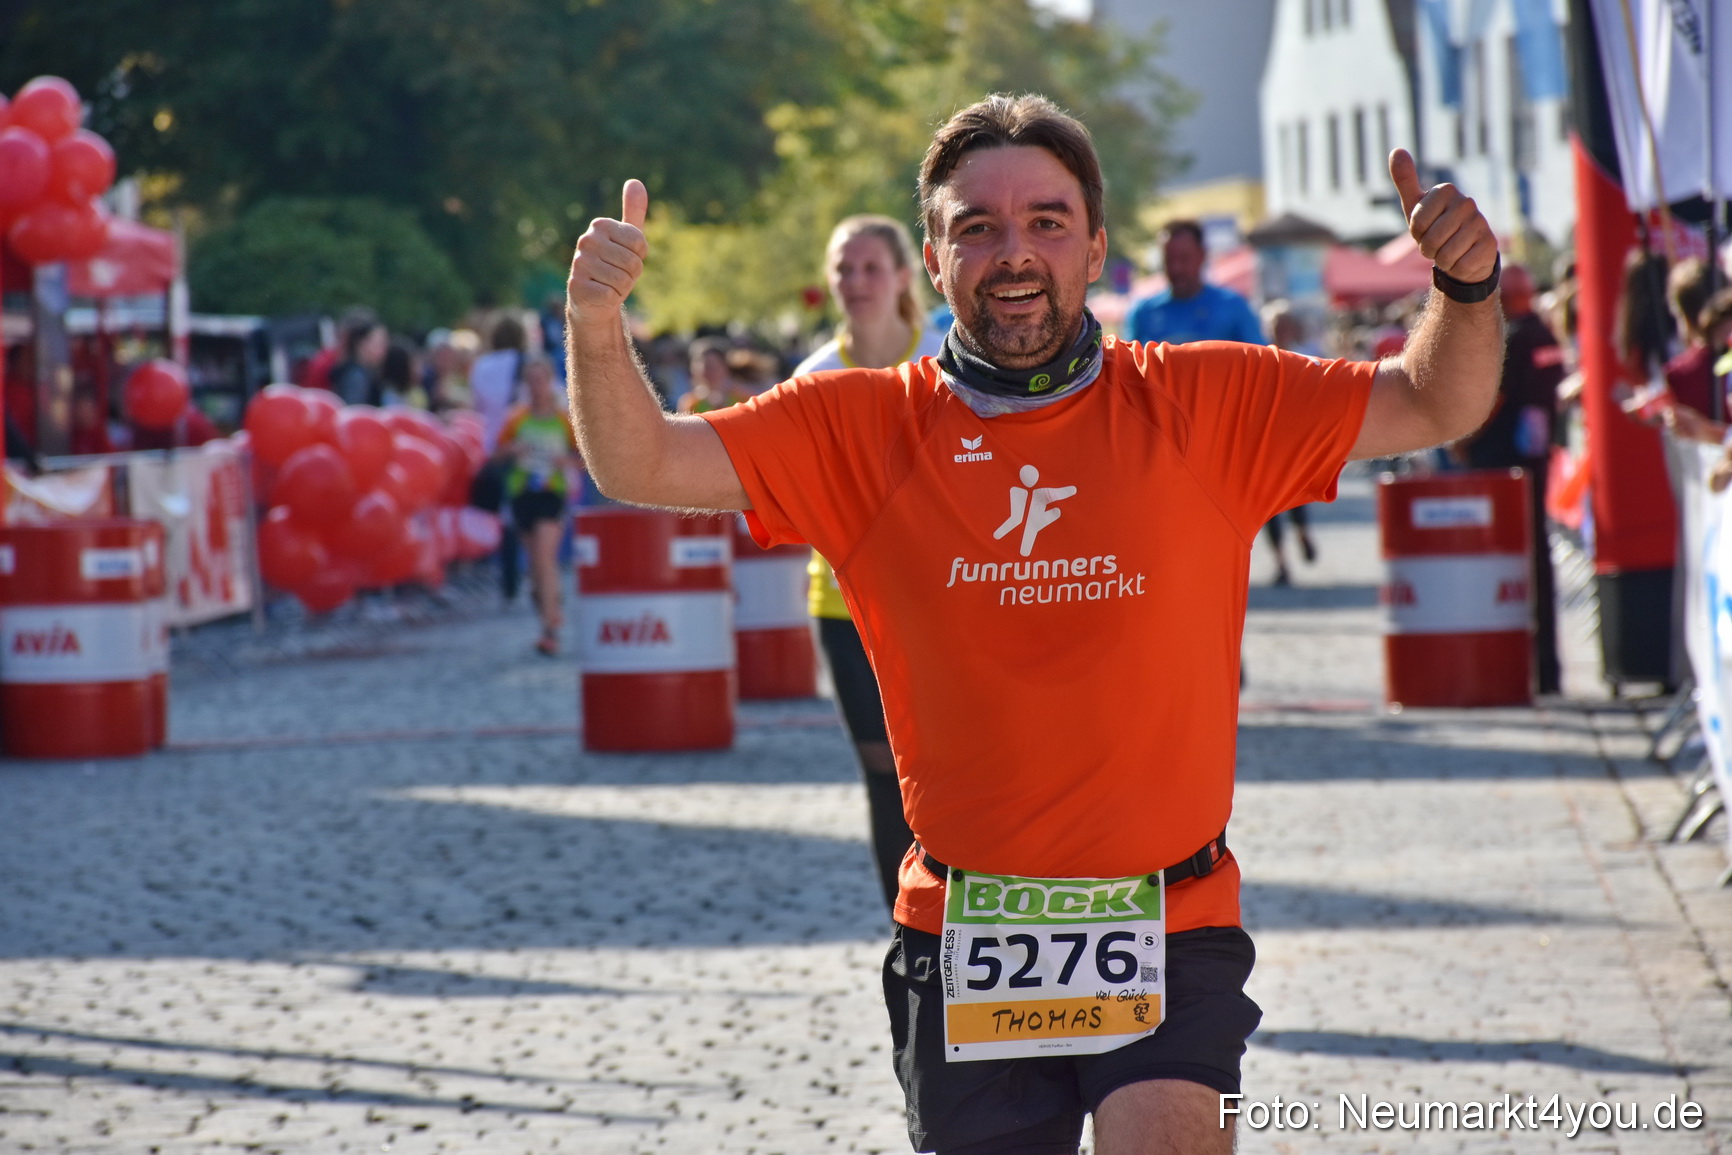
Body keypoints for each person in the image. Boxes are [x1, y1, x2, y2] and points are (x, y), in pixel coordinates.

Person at [563, 94, 1504, 1154]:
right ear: (933, 260)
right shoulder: (859, 426)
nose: (1013, 251)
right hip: (966, 927)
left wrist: (1465, 288)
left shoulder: (1205, 402)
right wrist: (595, 326)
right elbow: (642, 461)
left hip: (1170, 918)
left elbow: (1434, 402)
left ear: (1096, 247)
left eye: (1047, 222)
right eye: (977, 227)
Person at [792, 213, 946, 912]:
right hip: (844, 603)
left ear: (903, 276)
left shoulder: (947, 356)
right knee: (884, 771)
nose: (856, 282)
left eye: (871, 268)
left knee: (950, 769)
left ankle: (966, 926)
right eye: (843, 269)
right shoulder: (814, 378)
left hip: (946, 600)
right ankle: (909, 934)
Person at [1456, 264, 1566, 694]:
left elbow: (1492, 398)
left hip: (1502, 468)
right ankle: (1546, 670)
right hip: (1535, 465)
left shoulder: (1513, 338)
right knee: (1537, 562)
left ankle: (1508, 667)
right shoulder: (1545, 335)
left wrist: (1463, 439)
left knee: (1498, 565)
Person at [498, 354, 578, 655]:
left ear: (550, 382)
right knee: (536, 567)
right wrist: (511, 450)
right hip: (522, 493)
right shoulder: (516, 418)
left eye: (540, 380)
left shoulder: (563, 419)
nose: (536, 386)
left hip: (551, 492)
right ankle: (549, 603)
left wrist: (565, 462)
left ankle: (549, 630)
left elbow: (585, 459)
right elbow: (496, 453)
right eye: (530, 381)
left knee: (545, 558)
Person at [1122, 219, 1264, 346]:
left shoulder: (1232, 306)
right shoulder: (1143, 313)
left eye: (1184, 259)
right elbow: (1125, 363)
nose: (1176, 268)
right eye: (1169, 259)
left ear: (1202, 255)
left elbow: (1261, 359)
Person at [1260, 301, 1322, 585]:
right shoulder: (1258, 357)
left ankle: (1302, 533)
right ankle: (1281, 562)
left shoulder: (1308, 357)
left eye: (1284, 325)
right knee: (1267, 507)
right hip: (1266, 441)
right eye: (1275, 325)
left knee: (1296, 495)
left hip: (1296, 440)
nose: (1280, 330)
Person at [676, 337, 738, 413]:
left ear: (725, 367)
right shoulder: (689, 403)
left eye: (714, 366)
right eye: (706, 366)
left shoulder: (742, 398)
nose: (710, 371)